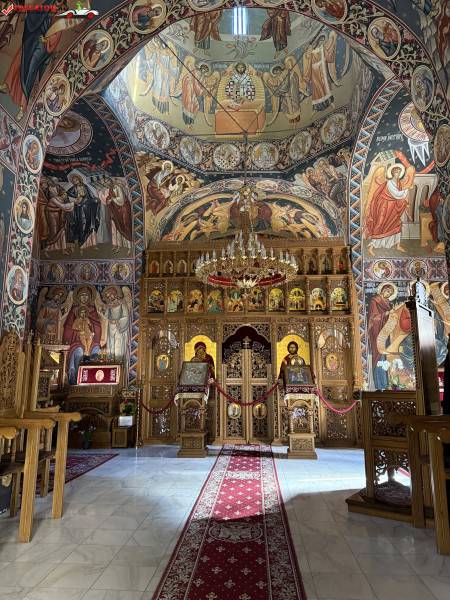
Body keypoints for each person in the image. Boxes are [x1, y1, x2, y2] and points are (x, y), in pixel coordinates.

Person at [365, 164, 415, 256]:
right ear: (392, 173)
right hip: (385, 206)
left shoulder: (398, 182)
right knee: (380, 225)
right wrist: (407, 189)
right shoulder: (390, 182)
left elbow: (398, 196)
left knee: (396, 223)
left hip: (393, 207)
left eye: (399, 172)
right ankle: (371, 247)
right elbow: (396, 194)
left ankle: (398, 245)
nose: (398, 174)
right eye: (396, 172)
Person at [63, 287, 102, 384]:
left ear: (89, 297)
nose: (84, 297)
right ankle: (76, 381)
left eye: (86, 295)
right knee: (79, 353)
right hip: (76, 341)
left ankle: (93, 381)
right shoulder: (74, 311)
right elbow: (68, 329)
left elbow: (98, 328)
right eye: (82, 295)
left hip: (91, 340)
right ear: (78, 297)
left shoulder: (92, 311)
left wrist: (90, 327)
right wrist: (78, 333)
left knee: (97, 351)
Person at [368, 284, 394, 390]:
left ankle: (386, 383)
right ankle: (380, 385)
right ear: (383, 290)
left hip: (386, 333)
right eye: (388, 292)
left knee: (386, 358)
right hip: (377, 333)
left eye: (390, 293)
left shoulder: (387, 302)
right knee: (380, 357)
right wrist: (386, 313)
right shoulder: (375, 301)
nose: (388, 294)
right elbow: (373, 319)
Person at [303, 33, 338, 113]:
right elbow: (309, 64)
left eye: (323, 41)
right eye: (321, 40)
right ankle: (316, 107)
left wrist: (333, 45)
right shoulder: (312, 52)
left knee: (324, 85)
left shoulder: (323, 49)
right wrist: (306, 76)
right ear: (318, 41)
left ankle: (330, 102)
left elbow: (328, 57)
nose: (322, 42)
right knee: (316, 88)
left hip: (322, 70)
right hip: (315, 72)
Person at [66, 173, 101, 254]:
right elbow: (68, 192)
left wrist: (95, 200)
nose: (76, 182)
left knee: (90, 225)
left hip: (89, 207)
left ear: (79, 179)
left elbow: (90, 195)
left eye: (77, 180)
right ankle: (81, 245)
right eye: (74, 181)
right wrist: (77, 196)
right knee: (83, 226)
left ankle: (92, 244)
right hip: (80, 208)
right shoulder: (74, 187)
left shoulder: (85, 186)